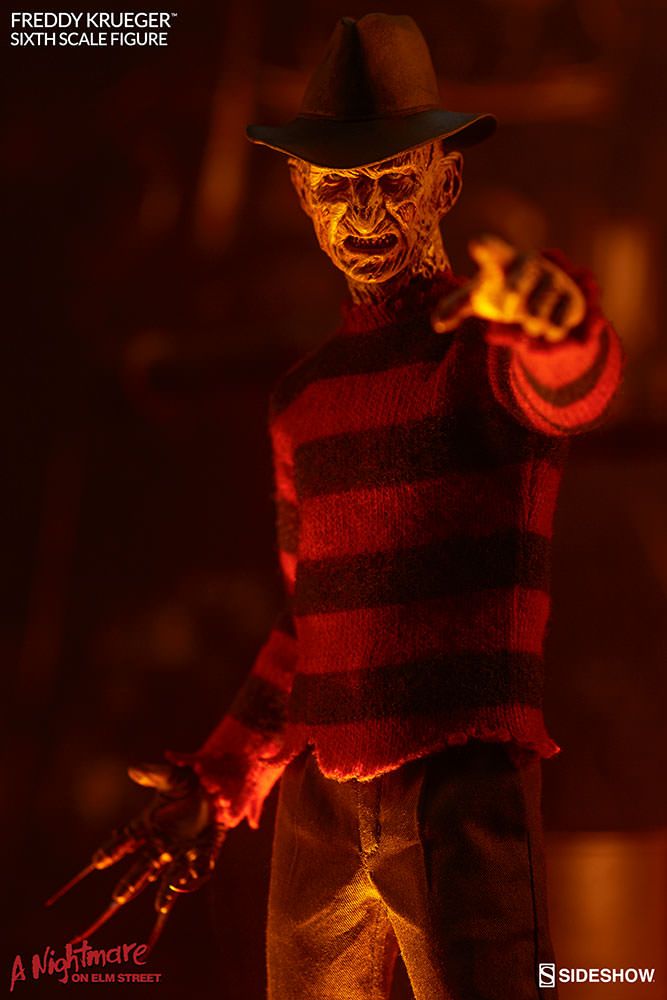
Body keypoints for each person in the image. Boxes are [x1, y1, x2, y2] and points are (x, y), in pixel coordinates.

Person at [67, 14, 623, 1000]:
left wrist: (559, 322)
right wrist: (225, 774)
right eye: (334, 184)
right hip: (318, 800)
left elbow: (570, 388)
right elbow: (310, 625)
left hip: (458, 782)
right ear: (299, 192)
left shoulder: (486, 358)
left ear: (445, 182)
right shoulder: (303, 398)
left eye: (391, 178)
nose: (362, 209)